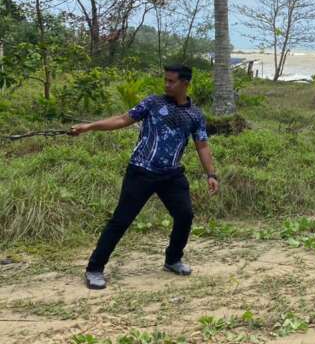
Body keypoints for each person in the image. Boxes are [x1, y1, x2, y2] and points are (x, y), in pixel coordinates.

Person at [71, 64, 219, 290]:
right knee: (121, 220)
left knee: (185, 215)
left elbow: (202, 146)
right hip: (141, 171)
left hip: (171, 174)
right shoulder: (153, 103)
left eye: (172, 81)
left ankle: (173, 260)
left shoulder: (195, 115)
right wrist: (90, 126)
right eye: (166, 80)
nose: (167, 85)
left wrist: (211, 174)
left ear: (185, 84)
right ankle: (94, 268)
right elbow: (122, 119)